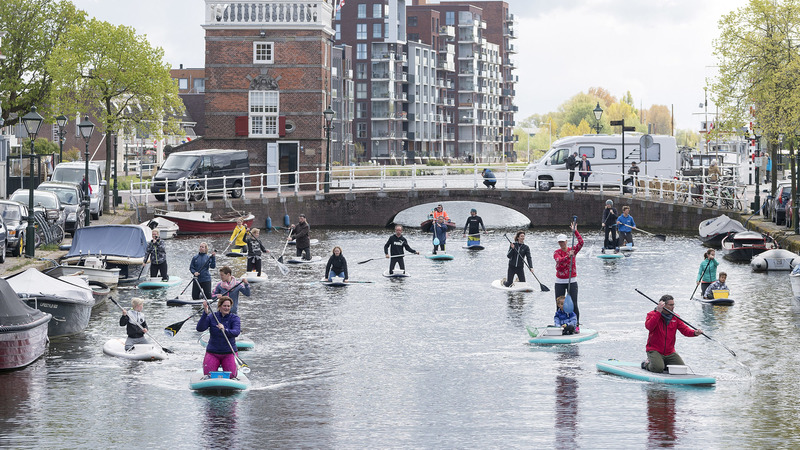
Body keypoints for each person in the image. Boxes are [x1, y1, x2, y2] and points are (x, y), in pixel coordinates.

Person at [642, 295, 703, 373]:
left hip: (670, 352)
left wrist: (695, 332)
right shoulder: (652, 314)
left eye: (673, 304)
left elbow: (685, 330)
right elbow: (649, 327)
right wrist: (658, 312)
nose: (673, 307)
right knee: (658, 368)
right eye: (670, 305)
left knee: (681, 369)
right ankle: (646, 364)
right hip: (654, 350)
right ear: (663, 305)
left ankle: (664, 364)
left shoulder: (675, 317)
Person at [197, 296, 241, 379]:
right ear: (220, 306)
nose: (226, 308)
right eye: (224, 306)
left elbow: (236, 332)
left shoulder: (235, 318)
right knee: (208, 375)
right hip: (213, 352)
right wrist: (205, 313)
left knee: (231, 376)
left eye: (228, 306)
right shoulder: (212, 316)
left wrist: (225, 330)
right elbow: (200, 328)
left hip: (229, 352)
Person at [554, 222, 583, 327]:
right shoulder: (556, 252)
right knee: (559, 304)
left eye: (563, 242)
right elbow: (559, 260)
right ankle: (558, 324)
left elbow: (581, 243)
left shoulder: (573, 250)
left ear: (566, 241)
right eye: (560, 242)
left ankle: (576, 324)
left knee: (574, 304)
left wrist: (575, 232)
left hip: (572, 280)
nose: (562, 244)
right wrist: (568, 256)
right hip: (560, 282)